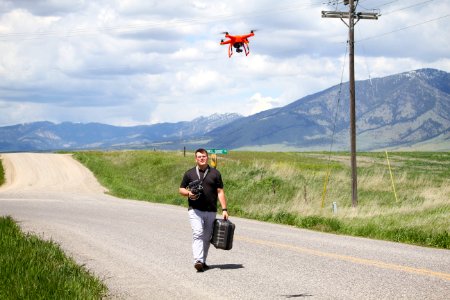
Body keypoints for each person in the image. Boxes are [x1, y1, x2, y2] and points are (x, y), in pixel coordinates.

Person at [179, 148, 229, 272]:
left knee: (207, 237)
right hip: (195, 210)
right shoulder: (189, 173)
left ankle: (203, 261)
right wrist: (189, 193)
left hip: (211, 210)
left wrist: (224, 209)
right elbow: (181, 189)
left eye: (204, 156)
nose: (202, 158)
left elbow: (220, 192)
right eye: (199, 157)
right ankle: (198, 260)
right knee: (198, 233)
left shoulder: (215, 173)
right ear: (196, 158)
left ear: (207, 157)